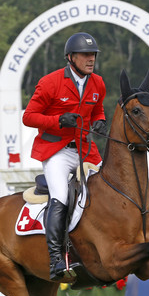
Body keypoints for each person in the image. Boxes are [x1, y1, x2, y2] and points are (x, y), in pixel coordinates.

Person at [22, 32, 106, 280]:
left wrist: (100, 121)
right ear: (71, 58)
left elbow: (98, 108)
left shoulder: (98, 83)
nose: (90, 59)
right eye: (85, 55)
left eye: (93, 55)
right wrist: (58, 120)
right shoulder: (50, 82)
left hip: (85, 149)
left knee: (108, 189)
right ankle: (56, 259)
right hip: (57, 151)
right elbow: (28, 117)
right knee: (60, 196)